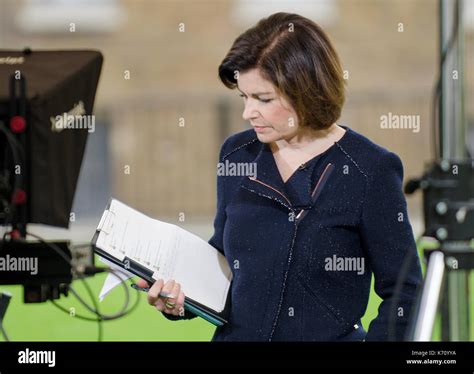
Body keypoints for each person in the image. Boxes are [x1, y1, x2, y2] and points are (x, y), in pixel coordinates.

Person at [138, 12, 422, 341]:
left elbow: (406, 294)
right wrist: (179, 300)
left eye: (264, 99)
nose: (248, 112)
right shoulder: (236, 153)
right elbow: (224, 265)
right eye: (244, 97)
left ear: (307, 90)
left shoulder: (370, 168)